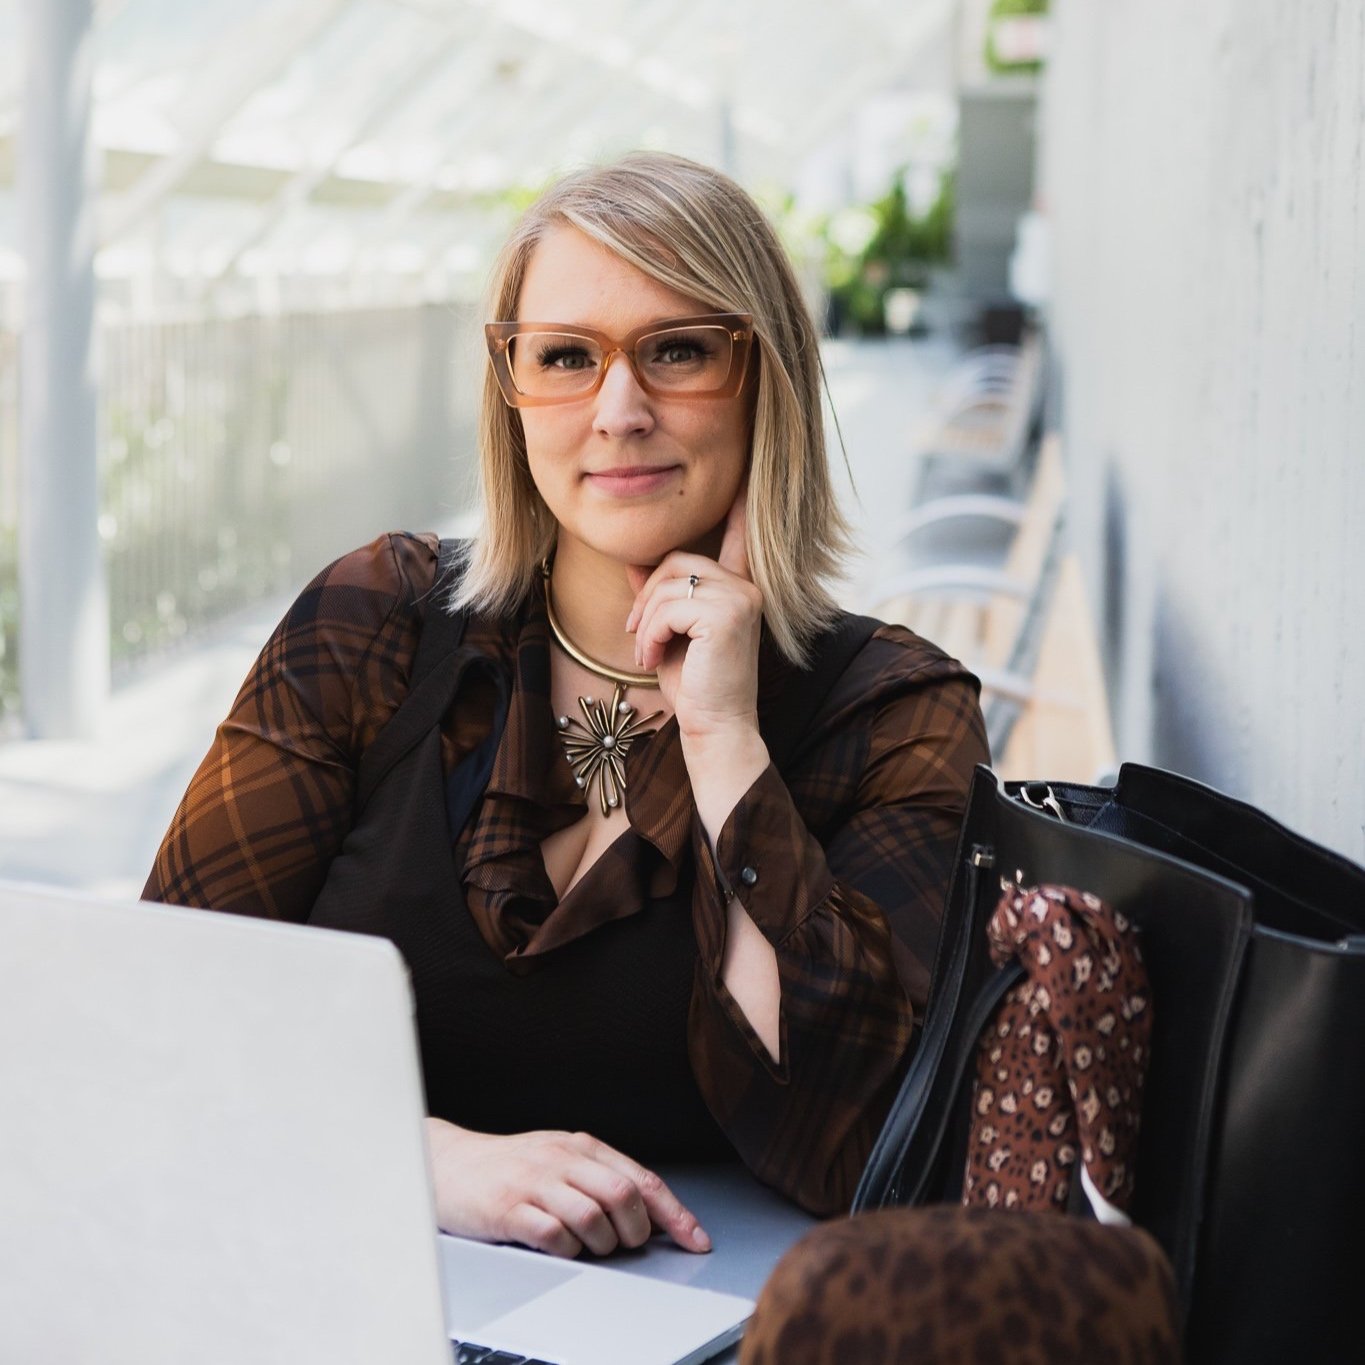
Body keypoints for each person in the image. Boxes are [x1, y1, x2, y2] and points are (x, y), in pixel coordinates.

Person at [144, 151, 989, 1260]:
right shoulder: (375, 626)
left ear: (765, 378)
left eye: (678, 351)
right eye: (566, 357)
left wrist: (725, 741)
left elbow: (850, 1140)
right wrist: (431, 1161)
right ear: (513, 390)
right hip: (318, 1270)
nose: (619, 410)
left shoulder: (893, 714)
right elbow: (155, 1008)